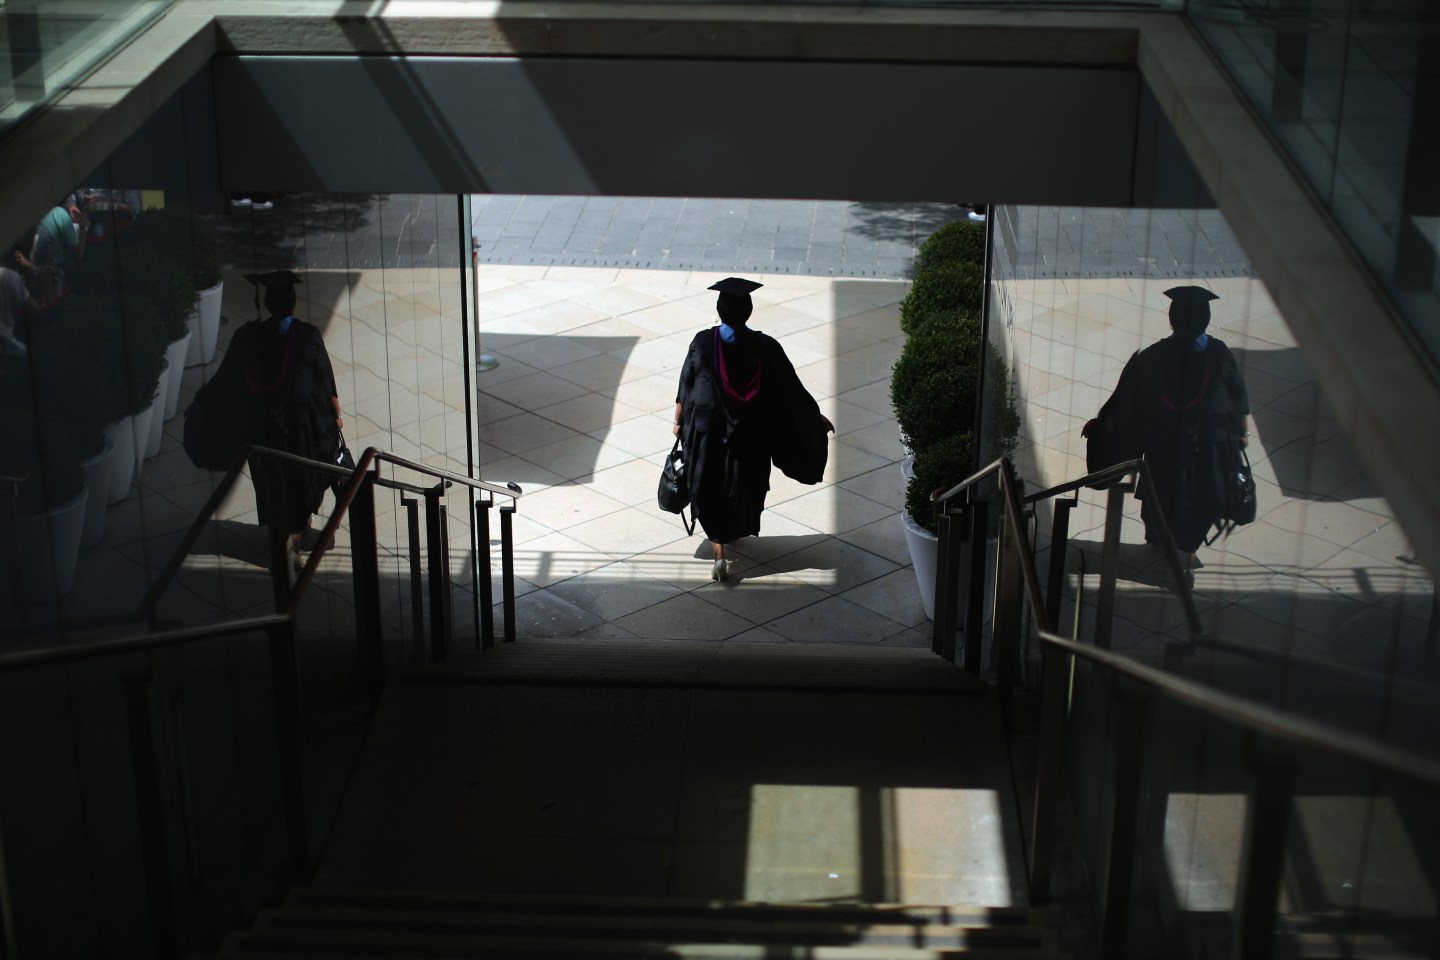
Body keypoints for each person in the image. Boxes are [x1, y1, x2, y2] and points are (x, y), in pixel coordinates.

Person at [1083, 285, 1251, 579]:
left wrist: (1100, 427)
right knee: (1199, 507)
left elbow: (1124, 408)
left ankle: (1164, 551)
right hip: (1205, 459)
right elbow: (1238, 405)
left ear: (1172, 320)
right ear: (1205, 320)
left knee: (1160, 506)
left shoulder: (1150, 359)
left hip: (1162, 456)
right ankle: (1186, 556)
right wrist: (1238, 437)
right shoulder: (1220, 354)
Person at [673, 277, 833, 581]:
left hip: (708, 432)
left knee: (709, 486)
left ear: (719, 310)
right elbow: (789, 390)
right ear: (747, 312)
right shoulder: (765, 346)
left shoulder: (703, 343)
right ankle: (729, 533)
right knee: (740, 487)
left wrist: (678, 420)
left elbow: (686, 385)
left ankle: (719, 551)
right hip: (750, 435)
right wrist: (814, 419)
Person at [232, 270, 343, 569]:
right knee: (303, 476)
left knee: (276, 481)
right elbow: (325, 381)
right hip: (301, 426)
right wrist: (336, 415)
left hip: (268, 427)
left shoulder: (250, 337)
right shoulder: (307, 336)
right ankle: (293, 540)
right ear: (293, 304)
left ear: (267, 304)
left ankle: (293, 531)